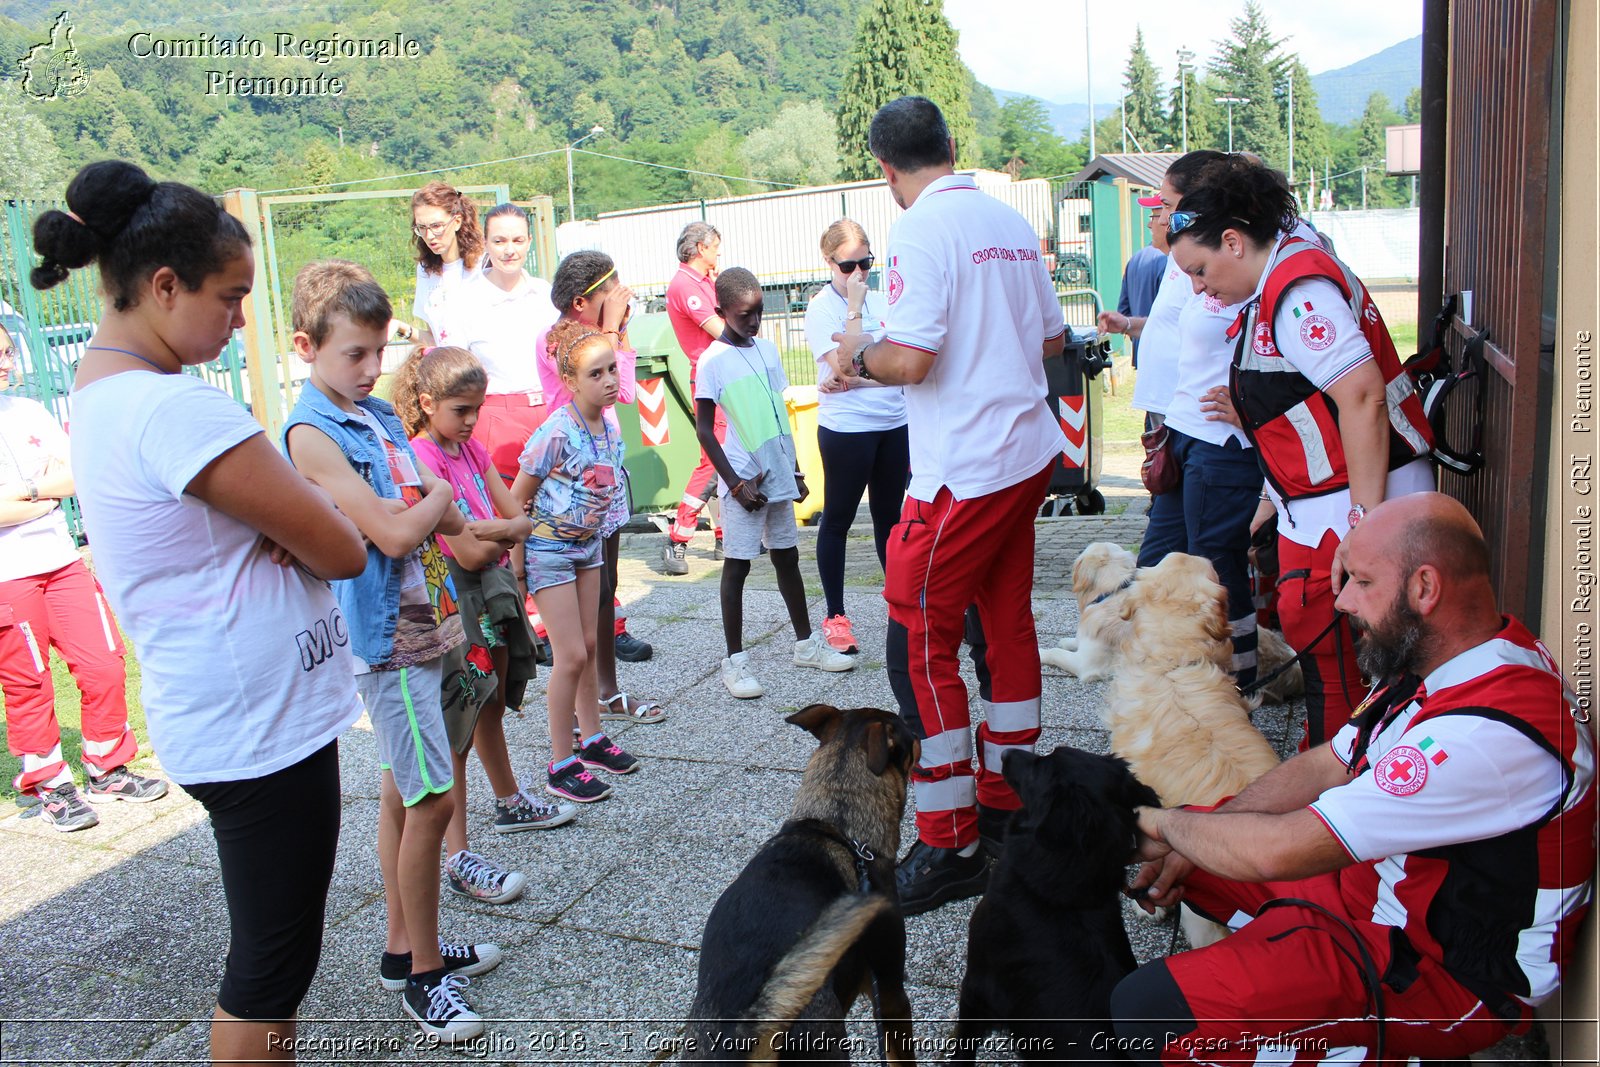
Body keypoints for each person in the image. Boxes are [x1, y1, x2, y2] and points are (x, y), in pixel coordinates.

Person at [36, 161, 366, 1063]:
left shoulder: (105, 395)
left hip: (220, 708)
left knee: (272, 957)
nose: (236, 322)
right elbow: (341, 546)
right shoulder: (174, 407)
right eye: (229, 298)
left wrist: (290, 517)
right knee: (269, 969)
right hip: (258, 727)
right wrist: (306, 519)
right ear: (164, 285)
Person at [1113, 492, 1595, 1065]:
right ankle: (1277, 976)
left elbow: (1279, 851)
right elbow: (1329, 764)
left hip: (1437, 978)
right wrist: (1196, 831)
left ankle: (1355, 1041)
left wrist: (1159, 822)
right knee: (1193, 851)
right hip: (1373, 897)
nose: (1340, 600)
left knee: (1146, 1014)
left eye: (1360, 581)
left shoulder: (1484, 735)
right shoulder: (1444, 657)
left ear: (1424, 588)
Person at [829, 97, 1065, 915]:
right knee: (1006, 627)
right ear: (953, 147)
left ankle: (951, 837)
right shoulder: (1006, 218)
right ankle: (1009, 806)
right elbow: (1049, 340)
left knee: (918, 640)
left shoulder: (921, 229)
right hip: (1024, 453)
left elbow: (916, 359)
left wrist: (857, 353)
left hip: (963, 468)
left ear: (886, 170)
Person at [283, 260, 499, 1044]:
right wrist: (442, 497)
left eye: (379, 351)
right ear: (306, 345)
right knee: (434, 800)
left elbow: (417, 519)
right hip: (388, 642)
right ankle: (425, 978)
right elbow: (403, 527)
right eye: (355, 355)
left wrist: (431, 509)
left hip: (424, 621)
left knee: (397, 793)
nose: (373, 369)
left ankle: (405, 948)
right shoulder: (311, 433)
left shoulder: (368, 415)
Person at [1166, 154, 1437, 747]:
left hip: (1351, 498)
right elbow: (1295, 407)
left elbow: (1362, 397)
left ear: (1234, 242)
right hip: (1322, 498)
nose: (1199, 286)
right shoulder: (1277, 282)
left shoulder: (1297, 292)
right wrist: (1274, 497)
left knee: (1339, 644)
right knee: (1320, 639)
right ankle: (1332, 762)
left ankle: (1339, 776)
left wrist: (1362, 526)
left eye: (1201, 268)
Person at [395, 346, 577, 896]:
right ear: (426, 403)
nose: (472, 422)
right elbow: (469, 554)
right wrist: (494, 533)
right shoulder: (421, 457)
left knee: (492, 702)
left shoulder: (468, 449)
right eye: (461, 410)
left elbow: (518, 521)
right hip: (456, 601)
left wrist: (489, 531)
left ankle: (509, 800)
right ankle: (458, 854)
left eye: (477, 409)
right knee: (459, 723)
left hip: (491, 594)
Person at [1098, 150, 1261, 691]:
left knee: (1215, 567)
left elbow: (1286, 359)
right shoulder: (1183, 256)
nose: (1160, 216)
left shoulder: (1241, 262)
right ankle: (1161, 667)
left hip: (1221, 440)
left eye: (1168, 205)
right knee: (1158, 559)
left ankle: (1239, 683)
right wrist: (1129, 323)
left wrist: (1252, 405)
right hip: (1183, 428)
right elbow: (1178, 322)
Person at [0, 322, 167, 831]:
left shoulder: (27, 412)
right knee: (28, 682)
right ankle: (49, 783)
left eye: (6, 351)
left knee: (103, 664)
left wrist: (23, 494)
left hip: (62, 562)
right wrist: (43, 491)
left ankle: (106, 766)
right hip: (9, 578)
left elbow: (78, 471)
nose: (4, 362)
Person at [697, 267, 856, 698]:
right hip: (743, 479)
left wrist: (795, 469)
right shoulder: (711, 361)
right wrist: (733, 484)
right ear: (721, 311)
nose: (754, 321)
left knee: (787, 557)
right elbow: (706, 430)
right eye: (744, 314)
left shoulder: (768, 350)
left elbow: (778, 416)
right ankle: (735, 661)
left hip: (777, 473)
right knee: (739, 564)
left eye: (759, 312)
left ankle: (806, 645)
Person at [511, 320, 642, 804]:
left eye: (612, 369)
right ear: (569, 381)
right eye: (595, 374)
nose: (609, 380)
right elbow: (517, 499)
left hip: (587, 548)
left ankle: (592, 740)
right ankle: (559, 762)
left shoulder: (607, 424)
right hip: (549, 551)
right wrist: (519, 564)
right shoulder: (555, 431)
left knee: (589, 643)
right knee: (568, 655)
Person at [536, 251, 664, 714]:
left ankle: (607, 690)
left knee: (606, 584)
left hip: (605, 480)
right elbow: (587, 379)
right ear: (579, 303)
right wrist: (609, 331)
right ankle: (575, 700)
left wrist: (618, 332)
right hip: (569, 489)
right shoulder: (555, 343)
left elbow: (625, 392)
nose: (619, 299)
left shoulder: (606, 338)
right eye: (608, 295)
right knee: (577, 597)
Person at [804, 219, 908, 654]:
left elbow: (903, 365)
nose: (859, 274)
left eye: (866, 262)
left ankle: (902, 610)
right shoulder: (821, 307)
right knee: (838, 520)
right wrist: (853, 310)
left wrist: (862, 375)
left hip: (894, 422)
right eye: (849, 265)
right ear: (829, 262)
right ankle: (835, 616)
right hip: (847, 428)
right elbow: (846, 367)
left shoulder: (885, 298)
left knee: (892, 520)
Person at [435, 203, 558, 483]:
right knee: (503, 513)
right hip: (494, 418)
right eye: (499, 241)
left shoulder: (545, 295)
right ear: (485, 243)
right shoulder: (463, 301)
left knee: (558, 512)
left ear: (529, 241)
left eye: (517, 240)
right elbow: (450, 372)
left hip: (551, 413)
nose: (509, 250)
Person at [662, 220, 725, 574]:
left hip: (718, 376)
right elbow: (723, 331)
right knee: (712, 461)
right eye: (715, 247)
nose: (719, 253)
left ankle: (723, 536)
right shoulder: (686, 285)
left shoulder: (703, 282)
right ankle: (677, 538)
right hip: (709, 378)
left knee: (723, 457)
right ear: (701, 248)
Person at [409, 181, 484, 346]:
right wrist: (403, 330)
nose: (429, 236)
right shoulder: (425, 271)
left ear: (457, 221)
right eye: (422, 228)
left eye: (436, 226)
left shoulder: (485, 266)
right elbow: (436, 340)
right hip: (448, 369)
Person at [1116, 231, 1168, 377]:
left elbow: (1123, 310)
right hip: (1163, 352)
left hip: (1140, 348)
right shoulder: (1167, 262)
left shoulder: (1134, 259)